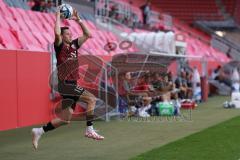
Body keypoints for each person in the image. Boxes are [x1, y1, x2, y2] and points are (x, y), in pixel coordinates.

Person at [31, 7, 104, 150]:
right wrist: (58, 15)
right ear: (63, 36)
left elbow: (88, 34)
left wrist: (79, 20)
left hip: (72, 83)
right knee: (91, 99)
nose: (70, 35)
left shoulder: (74, 45)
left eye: (71, 33)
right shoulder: (59, 46)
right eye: (68, 34)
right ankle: (89, 129)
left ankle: (39, 131)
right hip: (65, 84)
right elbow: (56, 33)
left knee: (66, 119)